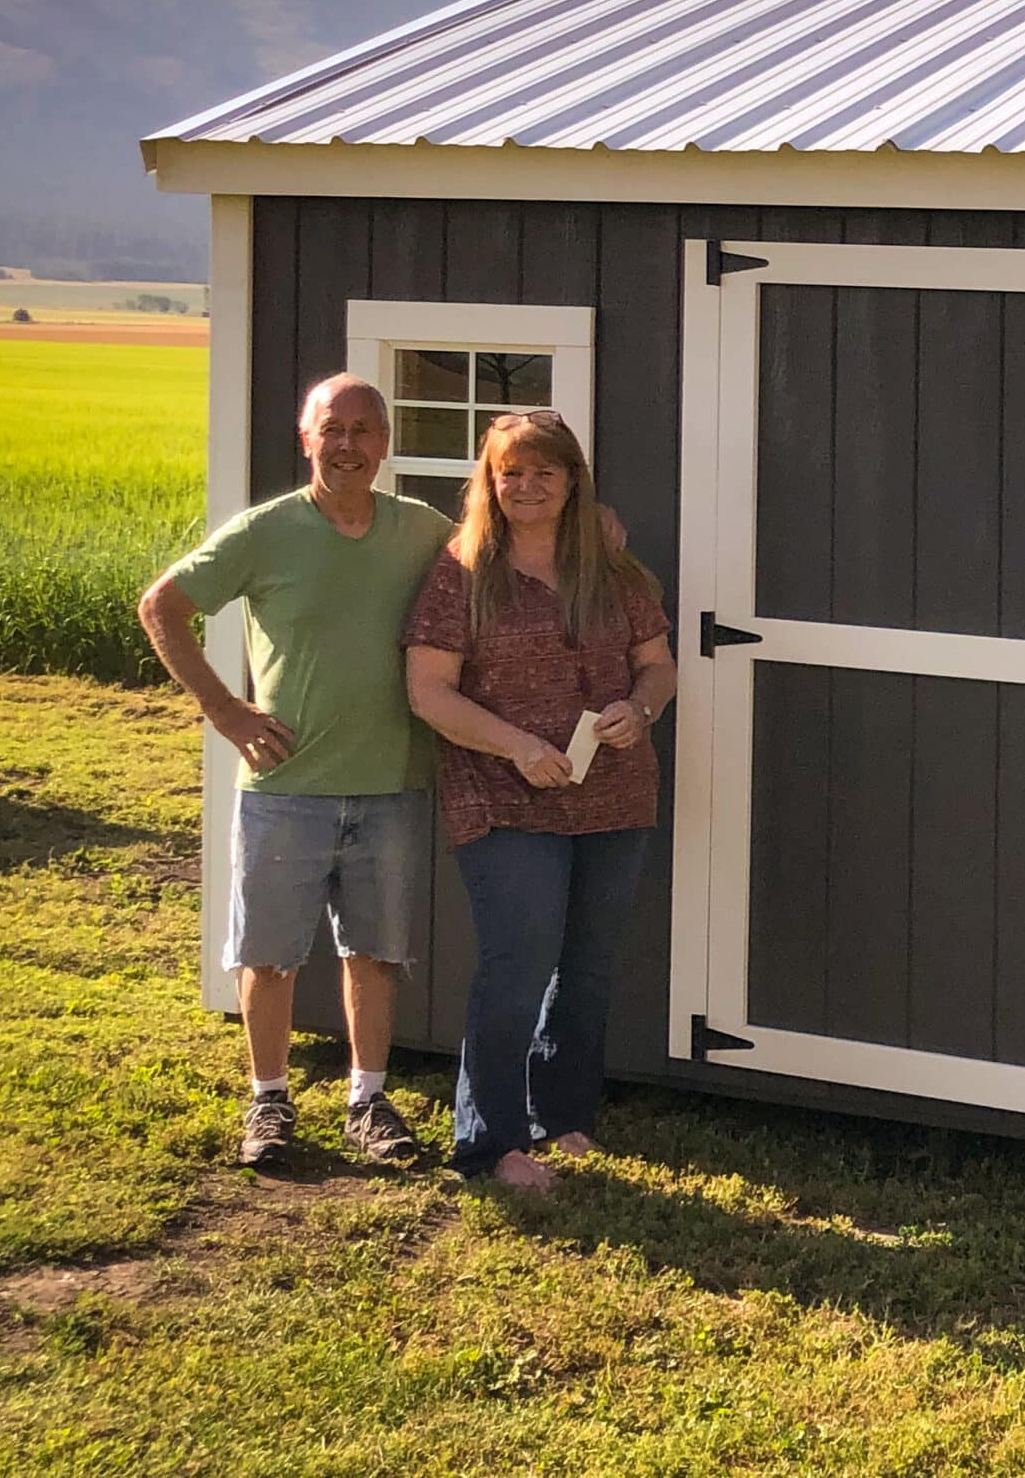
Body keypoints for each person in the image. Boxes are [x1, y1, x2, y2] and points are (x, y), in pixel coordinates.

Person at [139, 374, 442, 1168]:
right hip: (284, 789)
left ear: (385, 442)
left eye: (364, 430)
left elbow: (508, 552)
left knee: (374, 952)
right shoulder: (265, 533)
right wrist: (225, 712)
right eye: (331, 430)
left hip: (391, 781)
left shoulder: (424, 532)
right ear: (306, 440)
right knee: (268, 954)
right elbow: (161, 607)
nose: (348, 446)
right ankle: (268, 1103)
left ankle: (368, 1101)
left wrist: (600, 529)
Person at [404, 410, 674, 1190]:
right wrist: (516, 746)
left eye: (544, 472)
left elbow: (657, 666)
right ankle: (489, 1142)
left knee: (586, 967)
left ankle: (563, 1118)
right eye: (510, 472)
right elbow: (429, 694)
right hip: (503, 799)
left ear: (572, 481)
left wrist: (642, 707)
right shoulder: (460, 574)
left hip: (615, 796)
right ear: (489, 482)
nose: (526, 486)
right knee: (518, 966)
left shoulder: (614, 571)